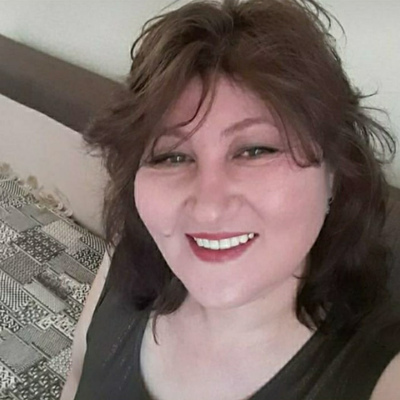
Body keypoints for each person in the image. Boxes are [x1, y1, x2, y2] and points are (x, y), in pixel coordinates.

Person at [61, 0, 400, 399]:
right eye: (171, 156)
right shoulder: (126, 259)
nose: (208, 208)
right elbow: (77, 375)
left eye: (256, 150)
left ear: (335, 174)